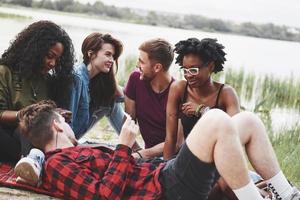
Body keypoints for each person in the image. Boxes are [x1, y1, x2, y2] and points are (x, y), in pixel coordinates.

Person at [18, 101, 300, 200]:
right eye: (64, 122)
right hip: (165, 189)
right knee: (215, 119)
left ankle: (287, 194)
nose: (70, 126)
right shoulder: (57, 164)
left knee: (246, 121)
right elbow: (103, 197)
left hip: (163, 174)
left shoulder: (81, 151)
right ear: (56, 125)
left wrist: (135, 152)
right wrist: (123, 147)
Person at [0, 20, 74, 163]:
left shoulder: (46, 80)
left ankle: (36, 161)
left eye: (57, 60)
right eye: (49, 56)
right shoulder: (5, 72)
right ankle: (33, 162)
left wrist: (55, 114)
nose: (52, 64)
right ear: (33, 51)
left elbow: (41, 116)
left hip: (32, 139)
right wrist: (22, 114)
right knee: (20, 130)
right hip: (6, 136)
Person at [164, 38, 240, 160]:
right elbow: (170, 138)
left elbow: (236, 134)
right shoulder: (178, 89)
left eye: (194, 70)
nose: (188, 75)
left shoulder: (226, 94)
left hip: (218, 161)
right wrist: (164, 169)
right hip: (187, 159)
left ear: (210, 66)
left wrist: (203, 111)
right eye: (185, 69)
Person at [124, 38, 180, 159]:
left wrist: (142, 154)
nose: (137, 65)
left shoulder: (177, 91)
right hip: (146, 154)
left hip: (171, 158)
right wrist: (134, 153)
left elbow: (176, 143)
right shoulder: (135, 79)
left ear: (157, 67)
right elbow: (129, 122)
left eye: (142, 62)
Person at [69, 32, 125, 138]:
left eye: (113, 56)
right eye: (108, 54)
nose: (112, 60)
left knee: (110, 100)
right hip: (69, 137)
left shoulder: (96, 78)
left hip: (76, 132)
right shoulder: (77, 78)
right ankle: (135, 149)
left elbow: (121, 97)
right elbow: (68, 119)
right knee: (111, 102)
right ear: (91, 54)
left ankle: (135, 148)